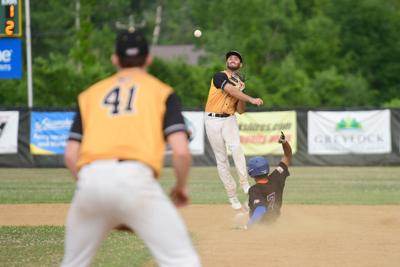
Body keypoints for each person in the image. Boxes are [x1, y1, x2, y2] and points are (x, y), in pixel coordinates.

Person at [61, 29, 201, 267]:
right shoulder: (162, 92)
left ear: (115, 58)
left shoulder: (89, 95)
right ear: (149, 59)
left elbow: (71, 154)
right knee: (182, 261)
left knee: (73, 263)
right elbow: (181, 151)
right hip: (135, 180)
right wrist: (180, 187)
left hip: (90, 180)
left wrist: (95, 190)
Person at [204, 50, 264, 210]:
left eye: (236, 58)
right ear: (227, 63)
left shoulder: (239, 83)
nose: (232, 59)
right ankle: (232, 195)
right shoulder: (219, 76)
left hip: (229, 118)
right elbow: (229, 90)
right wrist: (251, 98)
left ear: (240, 64)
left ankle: (244, 184)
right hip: (212, 119)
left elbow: (241, 110)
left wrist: (242, 93)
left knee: (237, 148)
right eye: (230, 57)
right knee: (221, 158)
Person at [246, 131, 292, 227]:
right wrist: (284, 143)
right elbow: (287, 156)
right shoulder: (277, 176)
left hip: (261, 227)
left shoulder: (255, 190)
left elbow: (260, 209)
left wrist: (249, 226)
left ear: (251, 173)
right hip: (275, 222)